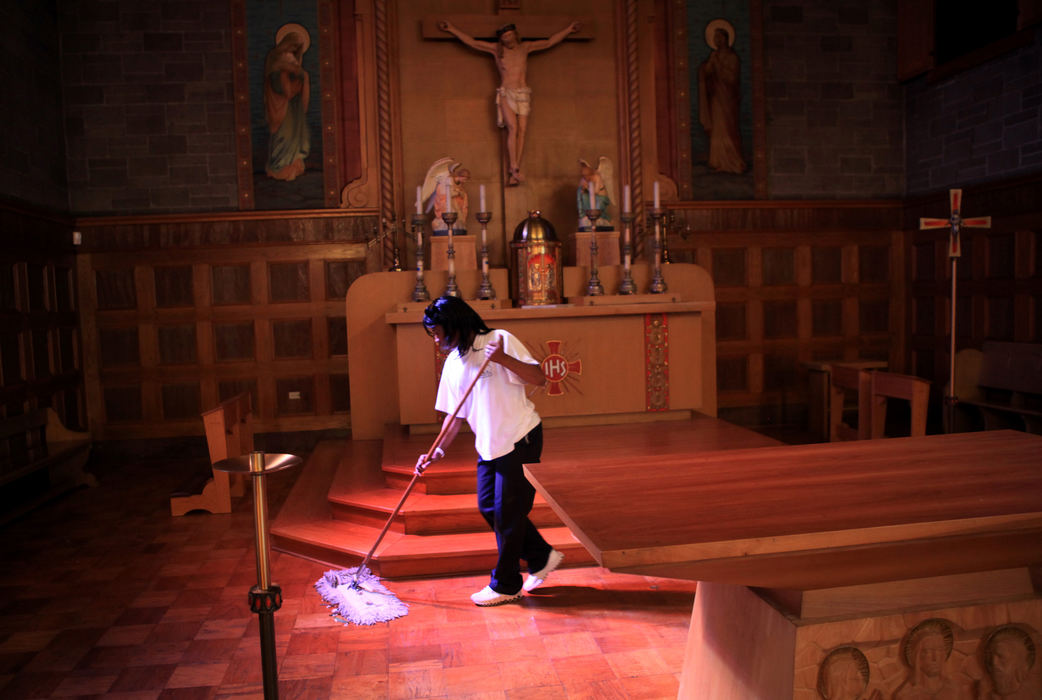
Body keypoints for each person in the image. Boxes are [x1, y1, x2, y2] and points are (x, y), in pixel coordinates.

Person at [414, 296, 564, 606]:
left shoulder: (499, 340)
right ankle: (541, 556)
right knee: (489, 508)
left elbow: (539, 378)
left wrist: (504, 360)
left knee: (508, 515)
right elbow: (454, 418)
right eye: (433, 334)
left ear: (456, 324)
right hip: (490, 445)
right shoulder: (453, 363)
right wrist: (434, 453)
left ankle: (506, 584)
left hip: (520, 438)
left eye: (439, 331)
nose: (437, 339)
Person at [438, 19, 581, 186]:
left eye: (510, 35)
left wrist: (569, 30)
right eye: (504, 37)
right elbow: (473, 42)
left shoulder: (525, 48)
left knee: (523, 130)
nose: (508, 39)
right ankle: (513, 165)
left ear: (515, 35)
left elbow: (549, 42)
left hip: (523, 93)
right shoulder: (496, 50)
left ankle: (516, 167)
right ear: (501, 39)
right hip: (507, 92)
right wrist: (452, 29)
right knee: (512, 128)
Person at [697, 20, 747, 175]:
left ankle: (733, 161)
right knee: (718, 127)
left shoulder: (732, 58)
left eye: (720, 37)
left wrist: (718, 65)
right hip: (716, 99)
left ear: (726, 39)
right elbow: (706, 74)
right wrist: (709, 66)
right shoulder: (714, 56)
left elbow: (732, 78)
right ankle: (718, 160)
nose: (717, 41)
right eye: (715, 38)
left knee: (728, 128)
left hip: (728, 99)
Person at [264, 24, 312, 181]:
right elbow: (280, 82)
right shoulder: (276, 58)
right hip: (282, 105)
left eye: (298, 47)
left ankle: (294, 166)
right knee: (284, 136)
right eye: (293, 45)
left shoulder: (293, 62)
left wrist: (300, 77)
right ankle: (279, 168)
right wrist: (296, 77)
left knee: (294, 136)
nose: (295, 49)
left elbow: (298, 77)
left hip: (293, 106)